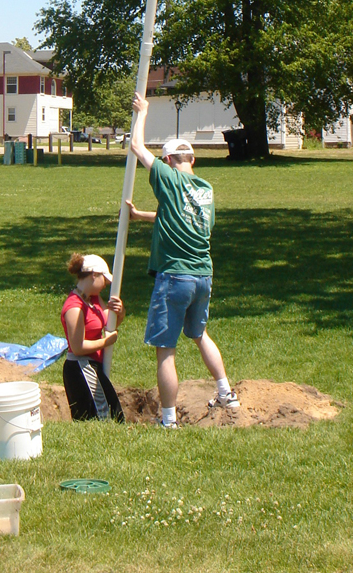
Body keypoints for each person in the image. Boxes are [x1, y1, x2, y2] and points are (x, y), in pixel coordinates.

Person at [126, 92, 238, 429]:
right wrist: (140, 217)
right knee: (200, 334)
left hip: (174, 275)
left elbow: (136, 146)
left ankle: (169, 420)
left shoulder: (167, 177)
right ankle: (225, 392)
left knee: (165, 348)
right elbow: (174, 216)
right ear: (192, 159)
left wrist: (142, 112)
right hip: (203, 274)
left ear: (170, 160)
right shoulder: (205, 189)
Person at [60, 253, 126, 422]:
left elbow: (110, 324)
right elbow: (78, 347)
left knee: (112, 414)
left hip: (93, 366)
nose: (106, 284)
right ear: (93, 275)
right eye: (104, 279)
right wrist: (105, 342)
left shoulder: (93, 299)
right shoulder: (75, 307)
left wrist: (120, 312)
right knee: (106, 417)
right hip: (81, 367)